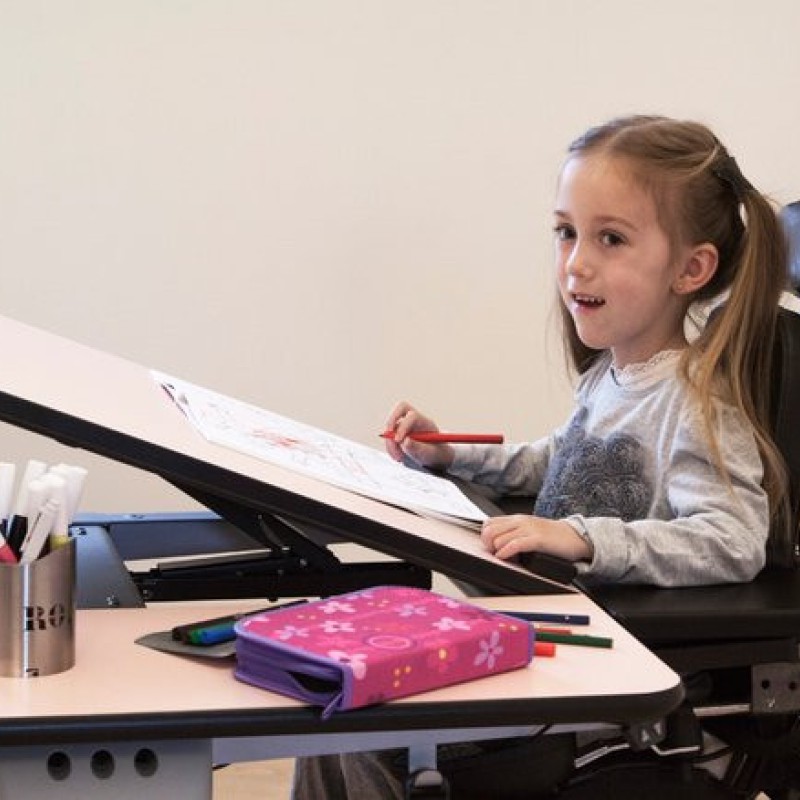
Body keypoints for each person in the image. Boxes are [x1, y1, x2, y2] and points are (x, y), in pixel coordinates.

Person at [291, 114, 792, 799]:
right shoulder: (610, 378)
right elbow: (560, 459)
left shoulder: (698, 403)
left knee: (372, 733)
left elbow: (731, 540)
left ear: (690, 268)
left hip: (612, 697)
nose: (576, 262)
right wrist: (452, 458)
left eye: (610, 238)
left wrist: (583, 540)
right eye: (566, 233)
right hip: (552, 654)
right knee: (330, 701)